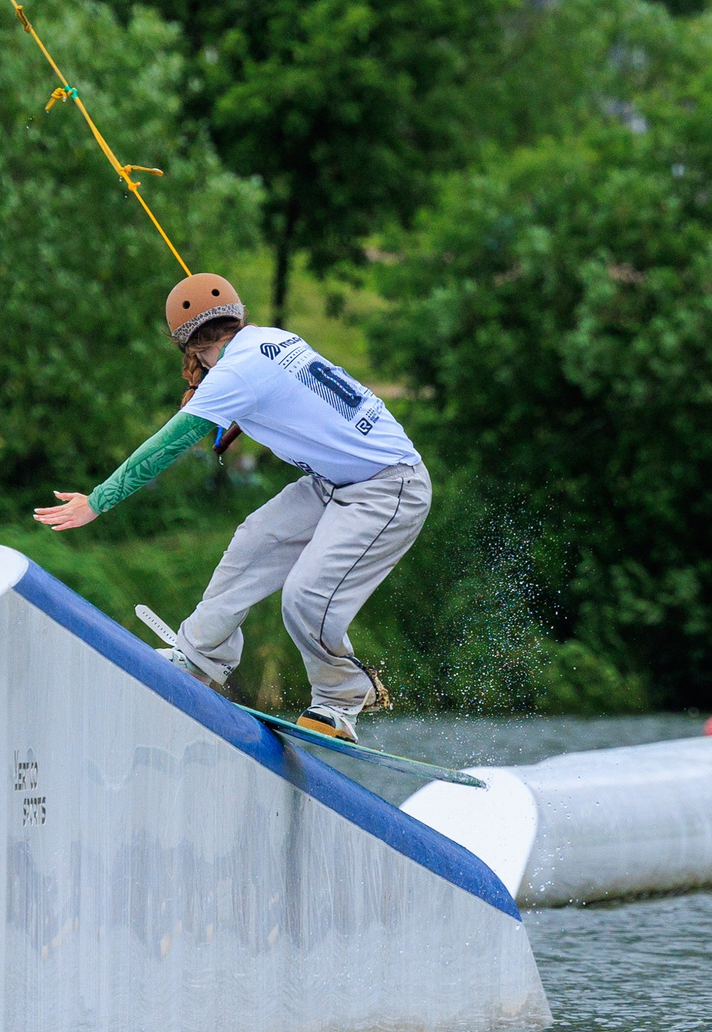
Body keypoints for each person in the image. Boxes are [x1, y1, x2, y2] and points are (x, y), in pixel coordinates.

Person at [33, 272, 430, 742]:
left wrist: (97, 500)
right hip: (336, 482)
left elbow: (165, 447)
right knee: (254, 542)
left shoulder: (232, 375)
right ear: (237, 316)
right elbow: (291, 400)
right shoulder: (271, 339)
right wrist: (240, 411)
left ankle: (341, 700)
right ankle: (201, 655)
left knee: (307, 596)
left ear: (188, 347)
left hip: (389, 487)